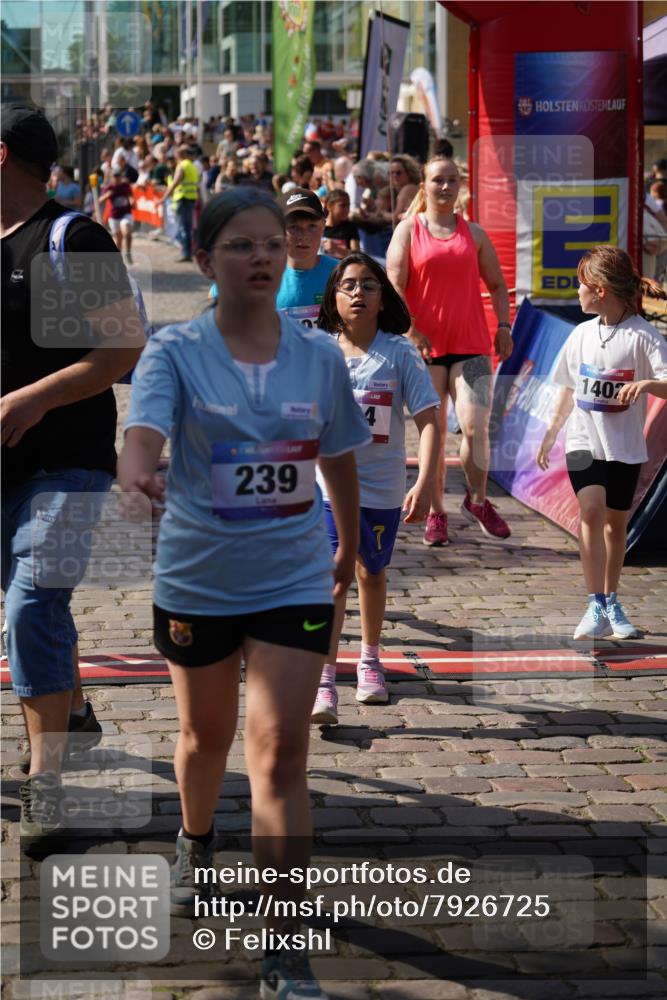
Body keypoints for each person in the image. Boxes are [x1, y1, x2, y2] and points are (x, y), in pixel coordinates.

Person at [118, 188, 370, 1000]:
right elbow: (144, 432)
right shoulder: (175, 351)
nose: (261, 256)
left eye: (270, 243)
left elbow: (336, 453)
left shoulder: (319, 357)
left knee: (280, 751)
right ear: (204, 260)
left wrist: (345, 543)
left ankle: (285, 948)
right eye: (240, 244)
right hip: (198, 577)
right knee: (205, 739)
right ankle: (195, 839)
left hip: (292, 576)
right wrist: (136, 472)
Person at [1, 104, 144, 847]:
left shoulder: (71, 238)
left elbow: (122, 348)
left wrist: (33, 399)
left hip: (66, 463)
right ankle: (75, 709)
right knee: (35, 612)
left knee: (31, 605)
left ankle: (46, 783)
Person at [311, 254, 440, 723]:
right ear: (333, 298)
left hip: (383, 488)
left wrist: (424, 482)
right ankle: (324, 680)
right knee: (333, 577)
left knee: (371, 573)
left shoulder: (400, 353)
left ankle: (369, 660)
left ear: (383, 298)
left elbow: (429, 422)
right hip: (327, 487)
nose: (358, 294)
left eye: (368, 285)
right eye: (348, 286)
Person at [537, 245, 667, 640]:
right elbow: (566, 387)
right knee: (591, 510)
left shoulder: (643, 336)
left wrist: (647, 384)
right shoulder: (580, 334)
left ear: (600, 290)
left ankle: (611, 600)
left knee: (616, 524)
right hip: (582, 440)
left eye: (581, 284)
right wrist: (551, 433)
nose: (576, 292)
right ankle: (595, 602)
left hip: (624, 447)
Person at [387, 154, 513, 546]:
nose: (445, 186)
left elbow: (497, 285)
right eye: (438, 180)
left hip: (472, 345)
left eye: (452, 180)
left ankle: (477, 500)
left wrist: (504, 325)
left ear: (460, 186)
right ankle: (437, 512)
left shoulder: (473, 233)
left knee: (475, 426)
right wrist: (410, 330)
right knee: (436, 433)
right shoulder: (408, 230)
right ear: (423, 186)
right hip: (425, 349)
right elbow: (393, 286)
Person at [275, 188, 338, 328]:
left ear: (323, 226)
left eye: (312, 226)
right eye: (293, 227)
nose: (304, 235)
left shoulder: (341, 274)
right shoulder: (265, 277)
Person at [157, 144, 199, 262]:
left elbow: (175, 183)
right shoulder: (193, 166)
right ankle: (188, 253)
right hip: (191, 198)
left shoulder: (182, 166)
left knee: (182, 228)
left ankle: (185, 254)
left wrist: (163, 198)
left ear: (179, 155)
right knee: (188, 227)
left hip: (182, 199)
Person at [98, 167, 135, 265]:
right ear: (111, 177)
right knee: (118, 242)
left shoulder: (125, 185)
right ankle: (118, 261)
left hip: (126, 213)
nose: (117, 178)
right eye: (115, 176)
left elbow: (130, 195)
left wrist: (131, 201)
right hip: (114, 216)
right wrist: (107, 195)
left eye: (118, 176)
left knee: (127, 232)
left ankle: (128, 253)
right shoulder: (109, 187)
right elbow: (99, 201)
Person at [322, 189, 360, 259]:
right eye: (342, 205)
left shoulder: (350, 227)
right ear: (329, 206)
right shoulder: (318, 227)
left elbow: (357, 256)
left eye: (348, 205)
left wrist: (336, 249)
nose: (347, 209)